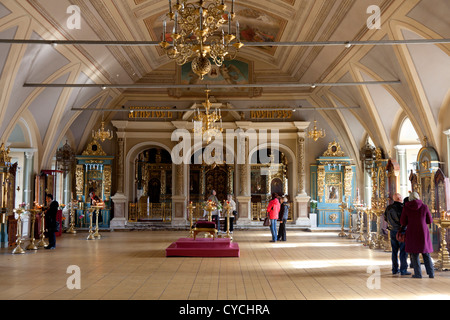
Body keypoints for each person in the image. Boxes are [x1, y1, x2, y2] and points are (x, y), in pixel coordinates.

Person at [400, 191, 434, 279]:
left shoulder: (406, 208)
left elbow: (403, 222)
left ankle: (418, 274)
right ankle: (431, 273)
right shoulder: (424, 206)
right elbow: (429, 221)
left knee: (414, 254)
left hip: (412, 232)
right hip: (423, 232)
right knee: (426, 253)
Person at [384, 192, 410, 275]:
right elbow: (405, 220)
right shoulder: (403, 208)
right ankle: (403, 269)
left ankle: (394, 269)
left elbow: (385, 218)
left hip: (392, 231)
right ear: (399, 198)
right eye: (401, 197)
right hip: (401, 231)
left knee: (394, 251)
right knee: (403, 251)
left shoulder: (388, 208)